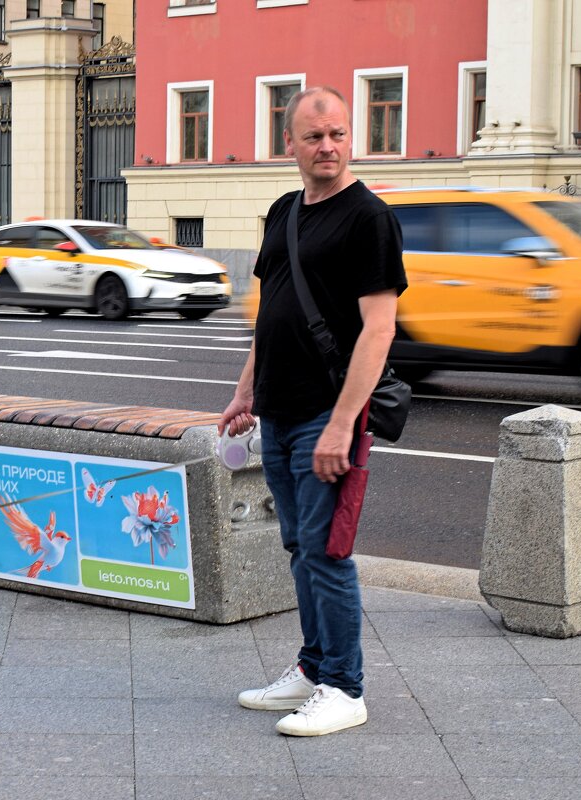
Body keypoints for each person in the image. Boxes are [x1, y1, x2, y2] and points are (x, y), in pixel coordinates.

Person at [219, 86, 405, 737]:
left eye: (338, 134)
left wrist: (340, 424)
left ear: (350, 138)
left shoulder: (369, 218)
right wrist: (247, 391)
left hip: (328, 416)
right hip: (278, 410)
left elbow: (378, 330)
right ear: (291, 144)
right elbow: (270, 316)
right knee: (300, 548)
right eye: (314, 136)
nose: (327, 146)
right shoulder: (283, 213)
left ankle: (345, 687)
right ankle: (312, 666)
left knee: (327, 553)